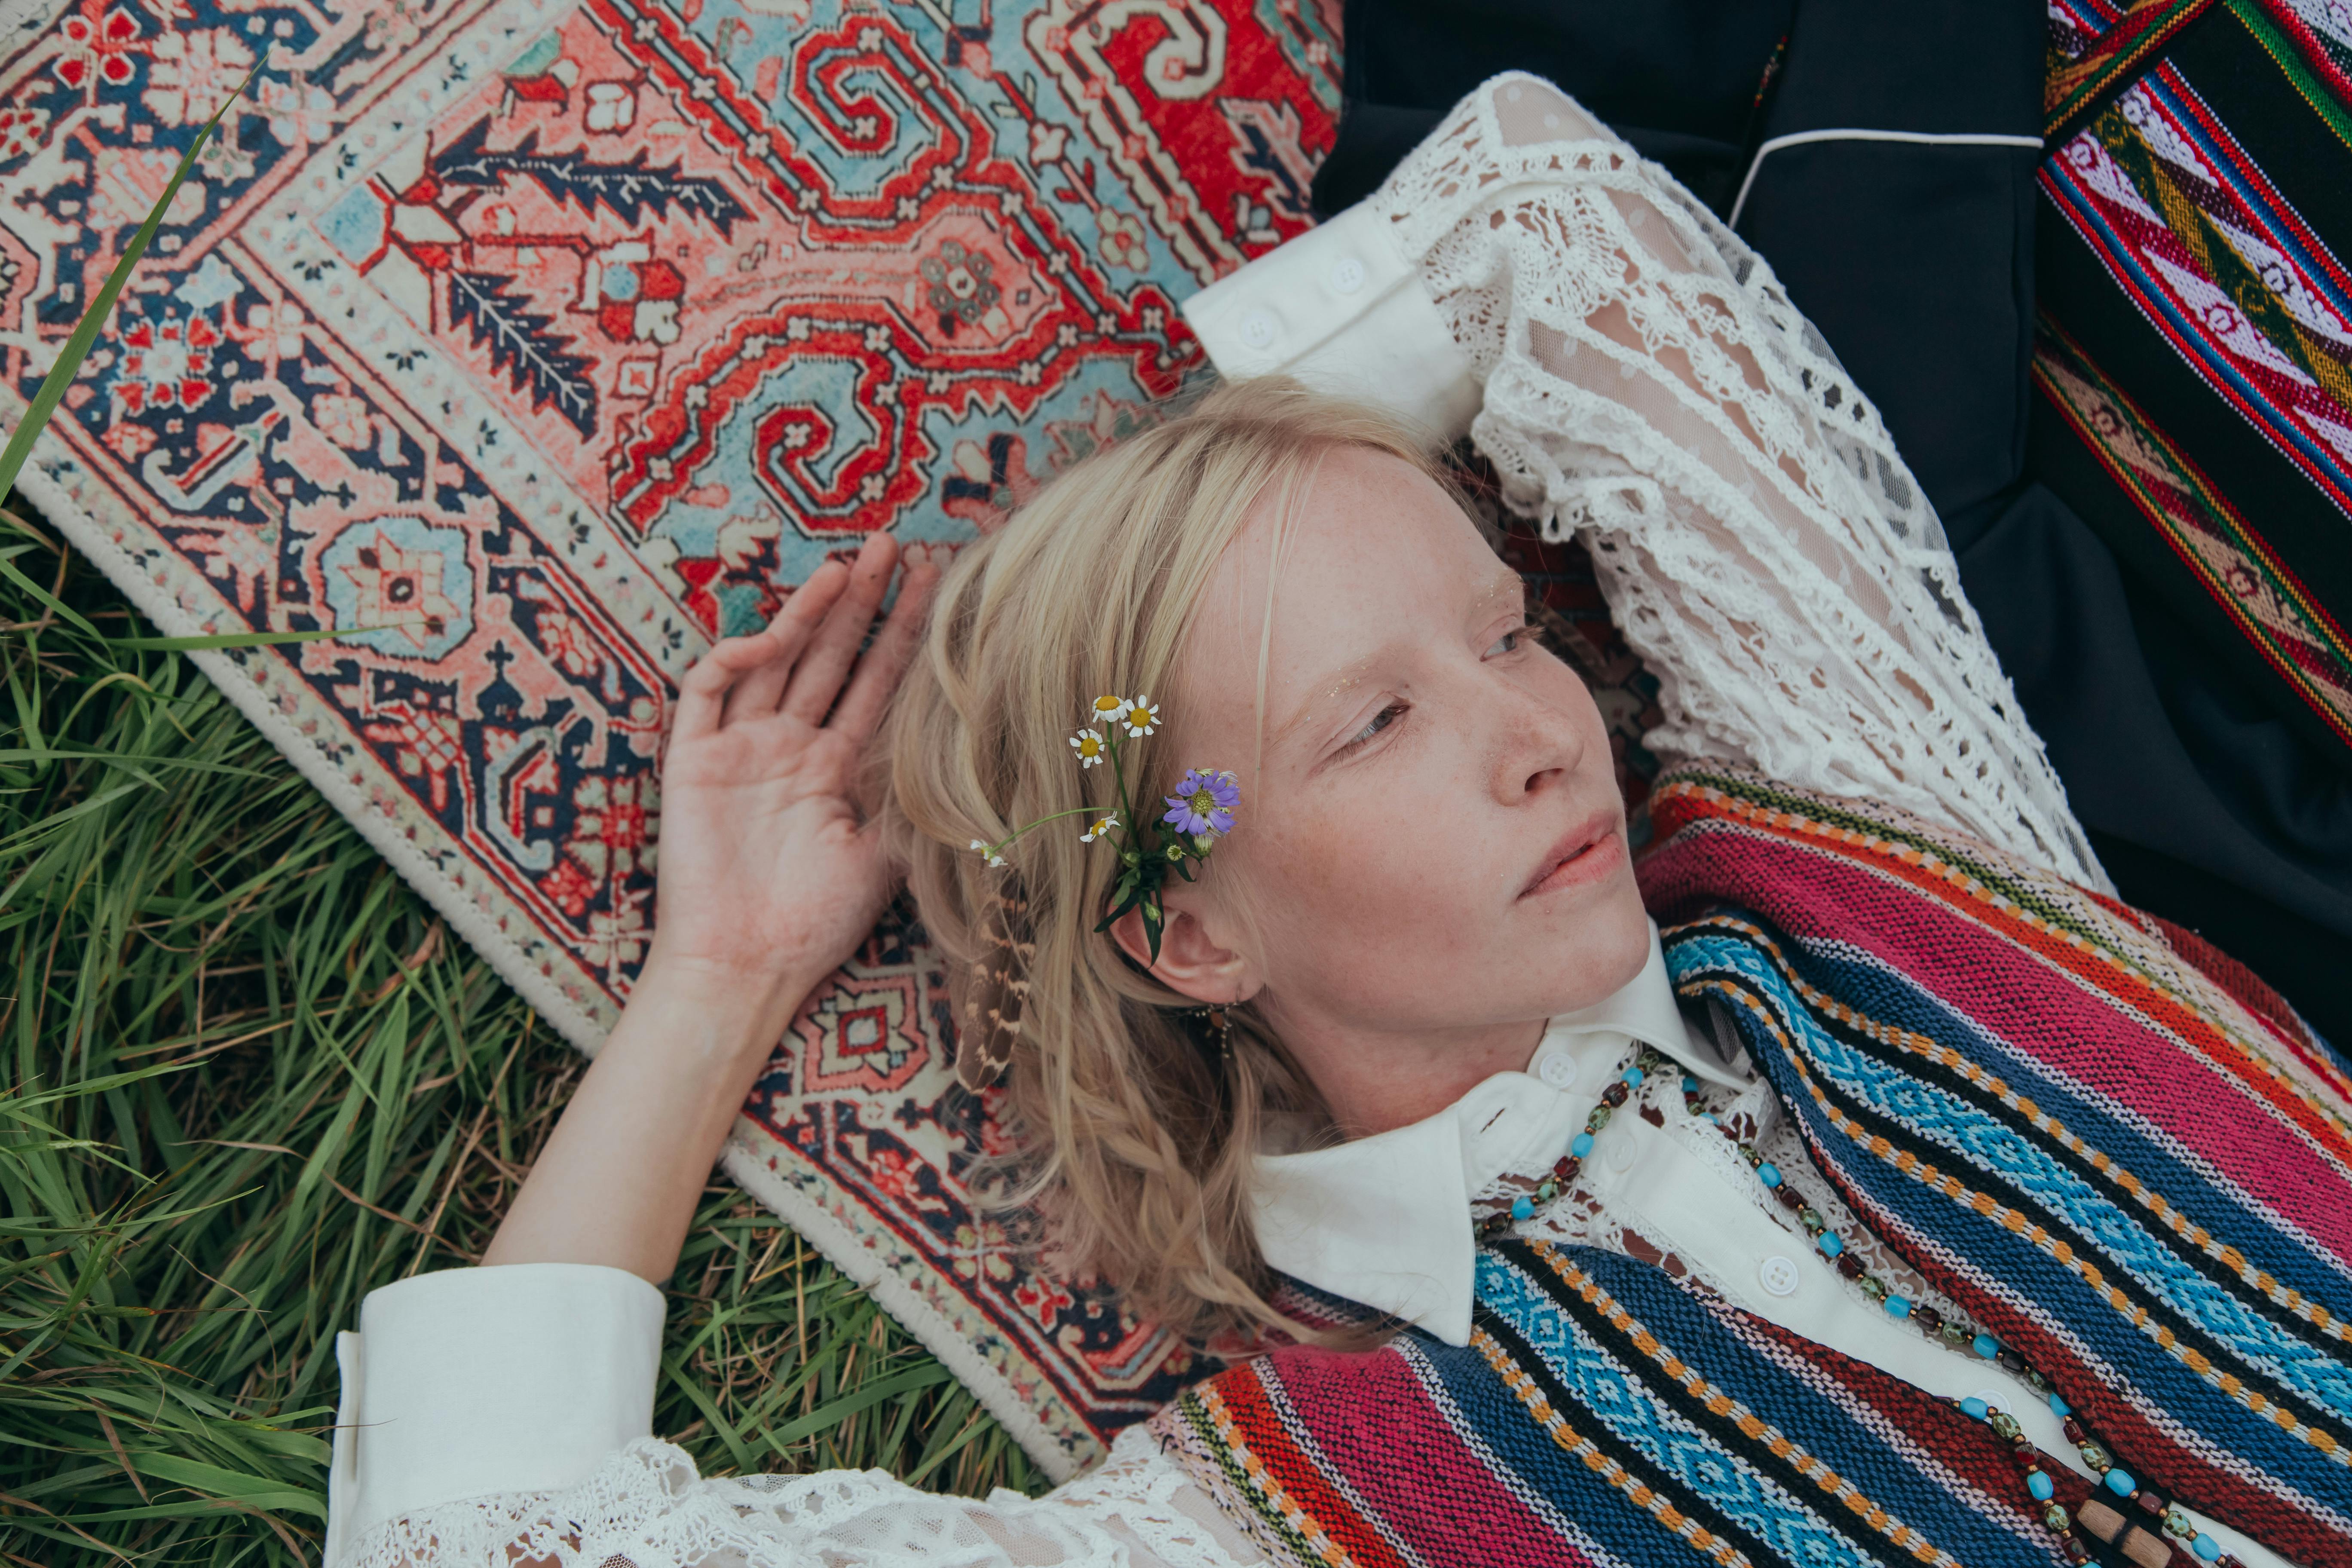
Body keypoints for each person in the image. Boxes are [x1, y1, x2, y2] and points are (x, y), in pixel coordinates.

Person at [325, 77, 2352, 1568]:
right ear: (1190, 934)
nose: (1546, 730)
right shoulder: (1326, 1511)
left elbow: (1535, 212)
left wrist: (1220, 505)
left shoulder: (1880, 832)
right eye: (1374, 722)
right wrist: (725, 978)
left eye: (1499, 632)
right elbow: (481, 1545)